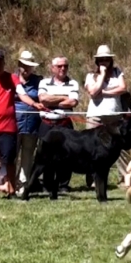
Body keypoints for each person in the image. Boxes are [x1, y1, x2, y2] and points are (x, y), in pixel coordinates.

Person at [0, 49, 44, 197]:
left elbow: (22, 94)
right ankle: (0, 184)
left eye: (0, 62)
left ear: (4, 63)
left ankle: (11, 190)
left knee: (9, 160)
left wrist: (34, 104)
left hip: (8, 128)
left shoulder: (13, 79)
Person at [83, 45, 129, 188]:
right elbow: (93, 92)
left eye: (106, 59)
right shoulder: (91, 75)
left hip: (114, 116)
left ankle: (125, 177)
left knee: (119, 147)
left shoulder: (117, 72)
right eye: (101, 59)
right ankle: (92, 180)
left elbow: (122, 88)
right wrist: (102, 76)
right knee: (90, 147)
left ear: (110, 60)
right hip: (95, 115)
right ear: (97, 61)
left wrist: (105, 92)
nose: (104, 62)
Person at [37, 56, 80, 193]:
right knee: (46, 154)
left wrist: (52, 100)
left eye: (65, 66)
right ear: (52, 68)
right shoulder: (44, 82)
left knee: (67, 154)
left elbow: (73, 102)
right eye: (60, 66)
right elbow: (43, 99)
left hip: (64, 122)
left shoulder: (73, 83)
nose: (63, 69)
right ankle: (47, 183)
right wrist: (63, 97)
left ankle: (63, 184)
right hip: (47, 123)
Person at [13, 51, 45, 194]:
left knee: (27, 156)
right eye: (24, 66)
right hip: (13, 125)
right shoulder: (11, 79)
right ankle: (10, 184)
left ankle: (23, 185)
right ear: (19, 65)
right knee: (11, 156)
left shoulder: (38, 81)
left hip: (32, 125)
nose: (26, 69)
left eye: (29, 66)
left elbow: (43, 97)